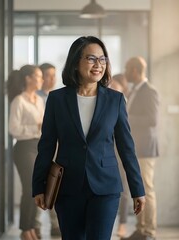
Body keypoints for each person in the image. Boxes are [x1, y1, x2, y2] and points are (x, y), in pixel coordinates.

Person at [32, 36, 146, 240]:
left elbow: (127, 148)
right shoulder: (57, 100)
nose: (98, 65)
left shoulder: (115, 100)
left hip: (105, 188)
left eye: (103, 59)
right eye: (91, 58)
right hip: (67, 187)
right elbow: (47, 145)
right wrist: (38, 186)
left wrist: (137, 188)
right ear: (76, 62)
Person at [121, 56, 159, 240]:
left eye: (127, 69)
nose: (125, 73)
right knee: (138, 188)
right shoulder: (133, 91)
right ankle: (140, 228)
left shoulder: (149, 91)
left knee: (147, 189)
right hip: (135, 148)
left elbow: (152, 120)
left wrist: (126, 118)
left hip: (145, 148)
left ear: (135, 71)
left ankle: (149, 231)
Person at [8, 65, 44, 240]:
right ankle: (25, 229)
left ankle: (30, 227)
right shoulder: (19, 101)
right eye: (38, 76)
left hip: (38, 147)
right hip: (23, 148)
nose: (41, 80)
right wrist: (35, 127)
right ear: (28, 78)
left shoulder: (39, 100)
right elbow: (13, 129)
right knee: (29, 188)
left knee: (37, 188)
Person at [34, 62, 61, 238]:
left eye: (54, 75)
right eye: (48, 75)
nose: (52, 79)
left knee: (54, 183)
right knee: (40, 185)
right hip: (36, 147)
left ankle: (55, 224)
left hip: (56, 148)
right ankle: (34, 224)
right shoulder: (34, 97)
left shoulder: (57, 97)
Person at [109, 73, 131, 237]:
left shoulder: (125, 102)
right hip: (109, 151)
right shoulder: (108, 101)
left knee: (123, 190)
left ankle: (122, 224)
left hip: (121, 150)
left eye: (115, 85)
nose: (112, 88)